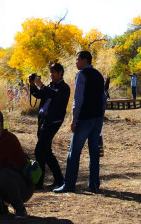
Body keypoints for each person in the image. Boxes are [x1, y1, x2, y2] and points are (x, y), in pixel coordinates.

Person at [53, 50, 105, 194]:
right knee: (94, 152)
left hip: (85, 118)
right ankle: (94, 184)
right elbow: (103, 98)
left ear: (85, 60)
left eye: (77, 59)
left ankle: (69, 184)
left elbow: (78, 99)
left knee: (74, 152)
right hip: (97, 119)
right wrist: (100, 115)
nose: (76, 62)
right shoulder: (99, 75)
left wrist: (74, 119)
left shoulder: (81, 75)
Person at [29, 63, 70, 189]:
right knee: (46, 152)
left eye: (54, 73)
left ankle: (39, 182)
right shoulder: (51, 85)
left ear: (60, 73)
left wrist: (41, 85)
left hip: (53, 122)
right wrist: (32, 85)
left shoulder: (64, 87)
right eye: (50, 73)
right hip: (43, 120)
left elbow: (55, 96)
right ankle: (59, 179)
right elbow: (39, 95)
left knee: (39, 150)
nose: (51, 75)